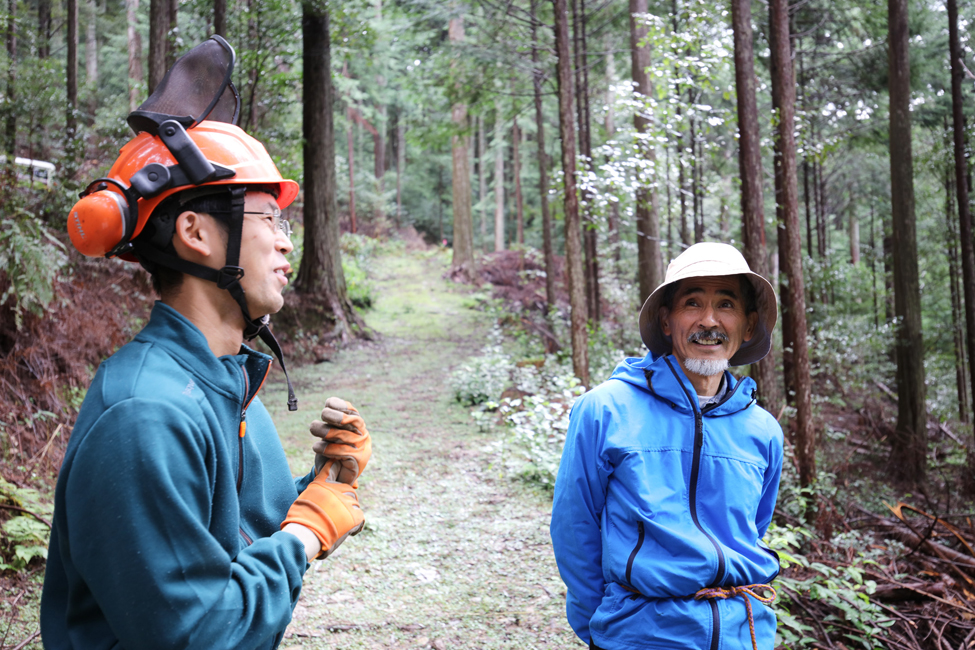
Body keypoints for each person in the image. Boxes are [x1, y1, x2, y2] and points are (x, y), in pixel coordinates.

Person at [41, 37, 370, 650]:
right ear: (195, 233)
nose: (285, 242)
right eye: (267, 218)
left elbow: (233, 539)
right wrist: (305, 534)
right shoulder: (145, 416)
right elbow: (201, 633)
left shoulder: (226, 381)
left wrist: (322, 486)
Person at [551, 242, 784, 650]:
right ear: (665, 320)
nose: (709, 320)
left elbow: (752, 529)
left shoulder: (763, 430)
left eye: (726, 304)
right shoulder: (605, 410)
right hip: (641, 635)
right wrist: (601, 627)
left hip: (745, 635)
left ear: (747, 326)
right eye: (692, 303)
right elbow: (574, 526)